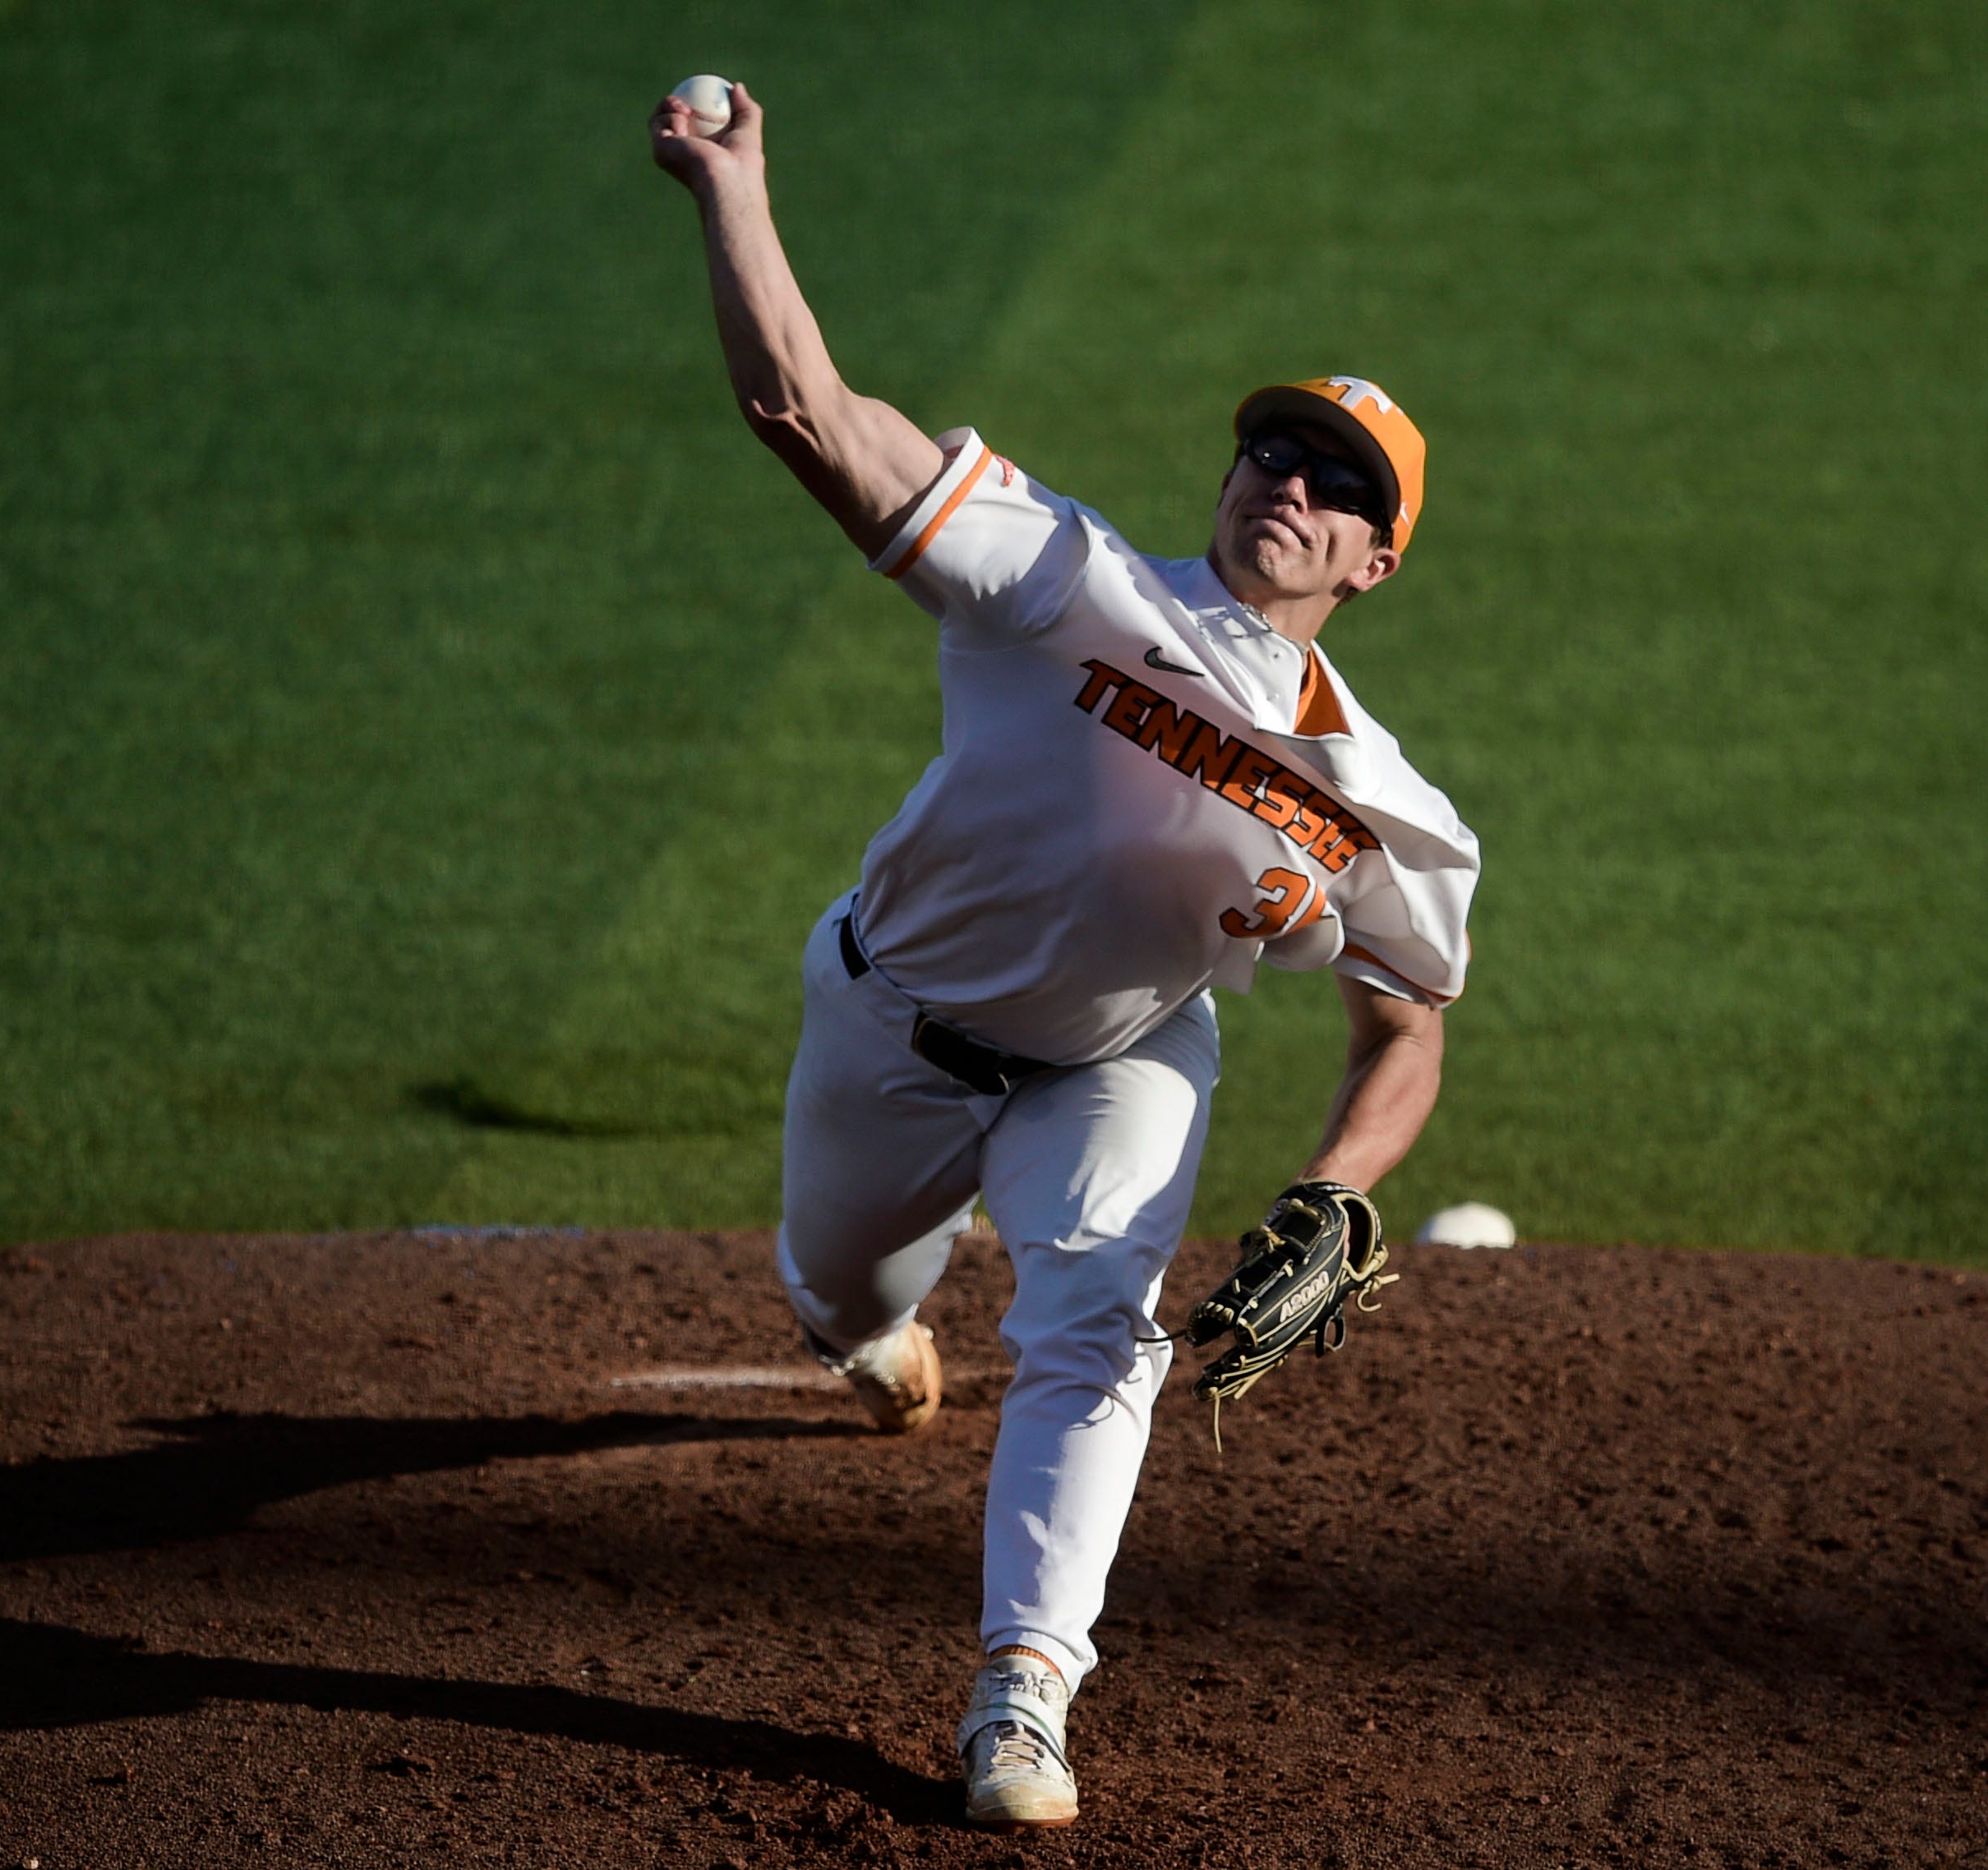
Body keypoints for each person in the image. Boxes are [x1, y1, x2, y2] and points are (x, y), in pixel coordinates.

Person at [648, 82, 1481, 1831]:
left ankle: (1022, 1694)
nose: (1294, 485)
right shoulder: (1069, 581)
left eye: (1341, 486)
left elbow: (1406, 1027)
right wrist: (738, 189)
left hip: (1116, 1063)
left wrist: (1337, 1191)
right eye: (1278, 449)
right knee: (838, 1295)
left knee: (1102, 1334)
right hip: (889, 1021)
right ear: (1235, 468)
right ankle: (869, 1325)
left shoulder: (1381, 801)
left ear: (1375, 559)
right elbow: (805, 409)